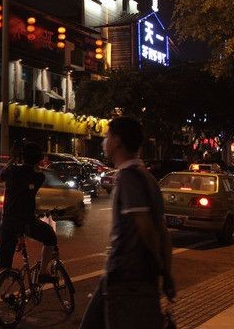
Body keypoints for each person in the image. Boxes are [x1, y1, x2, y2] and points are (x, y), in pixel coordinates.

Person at [80, 116, 175, 329]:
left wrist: (160, 267)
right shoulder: (148, 178)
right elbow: (163, 232)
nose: (104, 141)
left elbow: (146, 227)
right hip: (126, 277)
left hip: (127, 277)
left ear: (117, 141)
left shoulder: (128, 177)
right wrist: (167, 274)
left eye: (107, 136)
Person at [0, 141, 59, 314]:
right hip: (26, 222)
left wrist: (12, 159)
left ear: (21, 157)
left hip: (9, 222)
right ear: (38, 160)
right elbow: (30, 188)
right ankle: (42, 272)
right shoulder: (38, 177)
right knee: (50, 236)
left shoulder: (11, 171)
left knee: (3, 260)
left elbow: (0, 177)